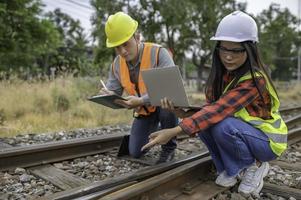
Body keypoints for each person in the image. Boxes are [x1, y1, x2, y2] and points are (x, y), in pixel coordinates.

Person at [141, 11, 288, 196]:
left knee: (222, 124)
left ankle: (254, 165)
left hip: (267, 142)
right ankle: (231, 169)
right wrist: (180, 113)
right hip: (245, 134)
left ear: (250, 50)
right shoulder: (223, 76)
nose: (228, 56)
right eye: (224, 49)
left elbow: (220, 109)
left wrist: (174, 131)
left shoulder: (254, 80)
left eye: (236, 50)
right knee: (205, 125)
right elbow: (209, 112)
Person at [100, 11, 178, 164]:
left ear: (137, 37)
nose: (122, 51)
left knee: (168, 107)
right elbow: (114, 91)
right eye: (117, 47)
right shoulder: (117, 64)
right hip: (144, 112)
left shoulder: (158, 53)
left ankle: (169, 148)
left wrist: (141, 100)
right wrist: (108, 95)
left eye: (125, 44)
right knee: (135, 152)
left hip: (164, 107)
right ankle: (152, 129)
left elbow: (170, 89)